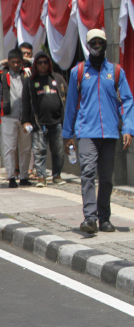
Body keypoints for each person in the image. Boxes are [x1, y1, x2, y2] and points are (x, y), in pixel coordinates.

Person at [63, 29, 134, 234]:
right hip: (86, 131)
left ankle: (104, 218)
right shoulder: (78, 72)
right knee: (87, 173)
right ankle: (90, 218)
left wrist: (128, 128)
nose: (96, 46)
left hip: (110, 132)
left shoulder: (116, 71)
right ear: (87, 46)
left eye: (99, 42)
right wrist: (68, 134)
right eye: (92, 42)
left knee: (106, 178)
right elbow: (71, 105)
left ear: (104, 45)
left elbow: (128, 101)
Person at [22, 52, 68, 187]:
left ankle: (57, 175)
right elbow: (25, 102)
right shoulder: (30, 81)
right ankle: (41, 177)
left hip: (57, 122)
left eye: (45, 62)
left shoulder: (58, 78)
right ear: (36, 64)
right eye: (40, 62)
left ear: (49, 63)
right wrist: (25, 120)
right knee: (39, 150)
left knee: (58, 150)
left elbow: (66, 98)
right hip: (39, 122)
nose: (43, 65)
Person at [0, 48, 32, 187]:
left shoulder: (27, 73)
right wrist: (2, 62)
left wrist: (27, 60)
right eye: (13, 62)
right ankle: (11, 176)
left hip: (25, 117)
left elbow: (36, 64)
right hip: (9, 116)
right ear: (8, 62)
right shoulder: (4, 74)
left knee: (25, 148)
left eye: (18, 62)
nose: (16, 65)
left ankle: (24, 176)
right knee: (9, 147)